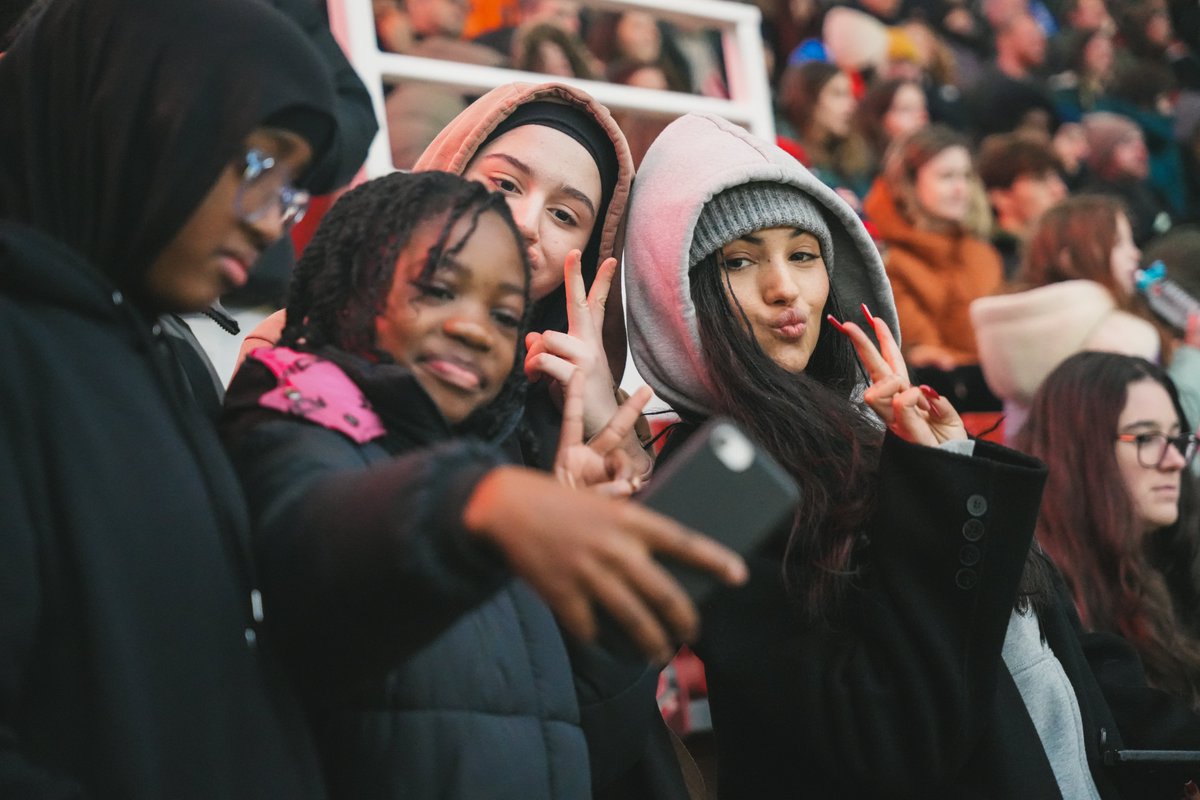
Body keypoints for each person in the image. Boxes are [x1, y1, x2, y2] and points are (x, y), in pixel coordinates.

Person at [623, 111, 1200, 799]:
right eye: (740, 261)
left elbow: (1055, 649)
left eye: (803, 254)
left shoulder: (873, 432)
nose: (785, 288)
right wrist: (940, 490)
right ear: (680, 293)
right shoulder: (715, 484)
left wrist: (947, 463)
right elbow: (886, 740)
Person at [222, 170, 744, 799]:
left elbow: (576, 742)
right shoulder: (287, 418)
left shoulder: (498, 475)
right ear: (350, 285)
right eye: (440, 289)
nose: (475, 329)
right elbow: (309, 541)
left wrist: (612, 624)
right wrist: (477, 503)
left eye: (504, 313)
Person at [0, 0, 342, 795]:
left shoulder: (170, 365)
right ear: (131, 113)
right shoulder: (19, 351)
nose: (271, 225)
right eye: (259, 165)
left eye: (291, 189)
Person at [244, 82, 643, 474]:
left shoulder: (608, 412)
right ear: (448, 175)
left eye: (564, 216)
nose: (526, 224)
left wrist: (610, 430)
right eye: (505, 184)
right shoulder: (305, 338)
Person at [1015, 352, 1200, 710]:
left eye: (1177, 438)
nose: (1175, 460)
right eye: (1146, 438)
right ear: (1082, 452)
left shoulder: (1179, 560)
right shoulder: (1045, 597)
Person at [970, 195, 1178, 439]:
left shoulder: (1014, 333)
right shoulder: (1125, 339)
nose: (1135, 253)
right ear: (1069, 259)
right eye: (1120, 243)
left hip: (1030, 474)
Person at [863, 124, 1003, 370]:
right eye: (947, 176)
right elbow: (931, 359)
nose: (961, 189)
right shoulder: (889, 261)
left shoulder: (982, 253)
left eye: (966, 176)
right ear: (908, 182)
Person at [777, 60, 874, 207]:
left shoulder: (851, 154)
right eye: (838, 94)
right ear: (808, 98)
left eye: (850, 95)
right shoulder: (783, 150)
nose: (851, 106)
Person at [976, 132, 1068, 279]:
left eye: (1057, 178)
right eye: (1041, 180)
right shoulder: (988, 261)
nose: (1059, 189)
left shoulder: (1061, 254)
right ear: (1001, 197)